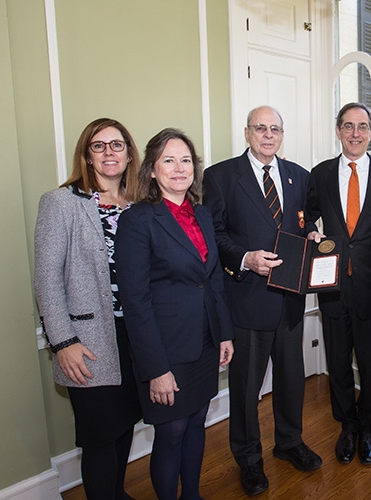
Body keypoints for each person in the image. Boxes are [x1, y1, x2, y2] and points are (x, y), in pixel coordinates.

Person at [202, 106, 322, 496]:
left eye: (275, 129)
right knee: (246, 389)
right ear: (246, 133)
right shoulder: (220, 177)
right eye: (260, 128)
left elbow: (306, 226)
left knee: (291, 382)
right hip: (247, 301)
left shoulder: (299, 177)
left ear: (282, 135)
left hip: (289, 300)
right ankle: (249, 459)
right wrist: (245, 259)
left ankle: (289, 443)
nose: (268, 135)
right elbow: (213, 235)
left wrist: (315, 240)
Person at [114, 128, 235, 500]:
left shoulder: (201, 212)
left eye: (186, 160)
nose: (179, 168)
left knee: (198, 421)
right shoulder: (138, 219)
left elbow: (212, 279)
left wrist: (224, 333)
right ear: (152, 169)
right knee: (171, 432)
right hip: (165, 349)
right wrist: (155, 369)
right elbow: (135, 301)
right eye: (168, 160)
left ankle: (192, 495)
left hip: (203, 342)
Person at [34, 117, 143, 500]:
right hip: (89, 340)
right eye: (99, 146)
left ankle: (118, 493)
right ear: (87, 155)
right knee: (99, 434)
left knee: (125, 422)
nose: (109, 152)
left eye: (117, 145)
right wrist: (63, 343)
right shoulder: (61, 203)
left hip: (135, 337)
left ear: (130, 154)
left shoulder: (140, 206)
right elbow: (46, 278)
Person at [304, 102, 371, 466]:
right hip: (332, 289)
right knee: (338, 363)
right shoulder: (320, 174)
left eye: (362, 126)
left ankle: (368, 427)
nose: (355, 133)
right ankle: (346, 425)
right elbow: (307, 218)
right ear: (338, 131)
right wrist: (312, 232)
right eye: (348, 126)